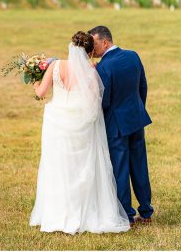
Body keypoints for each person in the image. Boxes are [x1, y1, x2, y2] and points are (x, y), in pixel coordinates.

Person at [29, 31, 130, 233]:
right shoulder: (92, 72)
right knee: (82, 168)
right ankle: (84, 212)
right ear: (90, 51)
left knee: (57, 166)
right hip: (81, 126)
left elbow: (40, 94)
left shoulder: (55, 66)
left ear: (70, 46)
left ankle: (57, 213)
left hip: (56, 123)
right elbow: (94, 106)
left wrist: (34, 80)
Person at [89, 25, 154, 225]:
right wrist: (137, 109)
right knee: (140, 165)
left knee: (120, 169)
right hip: (136, 119)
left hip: (116, 125)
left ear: (105, 42)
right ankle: (146, 211)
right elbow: (143, 85)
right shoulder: (133, 55)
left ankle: (126, 214)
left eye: (94, 44)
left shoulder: (104, 67)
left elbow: (104, 101)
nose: (92, 49)